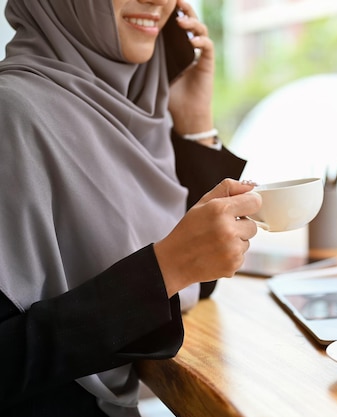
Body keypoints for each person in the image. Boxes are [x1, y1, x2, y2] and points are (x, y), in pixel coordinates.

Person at [0, 0, 262, 415]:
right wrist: (163, 271)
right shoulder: (11, 116)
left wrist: (195, 122)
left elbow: (197, 283)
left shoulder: (131, 114)